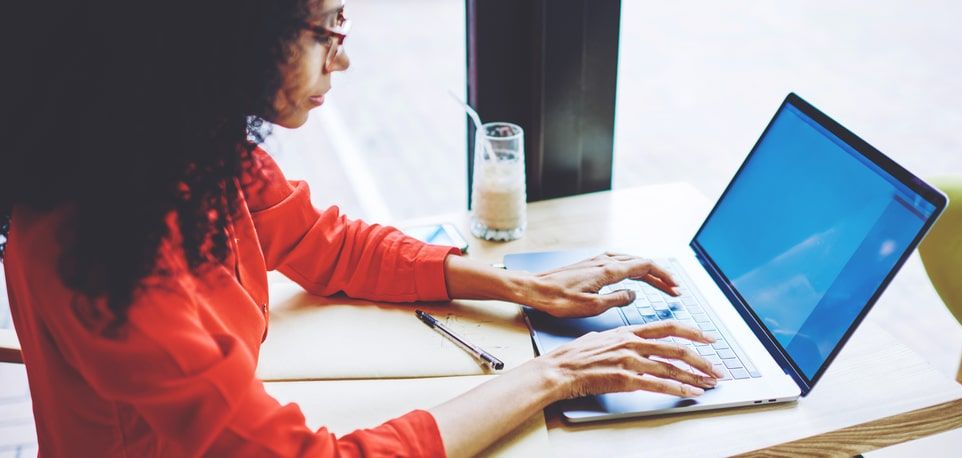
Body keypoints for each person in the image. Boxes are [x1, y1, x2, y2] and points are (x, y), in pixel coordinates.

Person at [0, 0, 721, 456]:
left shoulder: (182, 150)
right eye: (325, 28)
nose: (342, 56)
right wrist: (552, 375)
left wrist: (519, 283)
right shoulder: (102, 255)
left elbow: (331, 246)